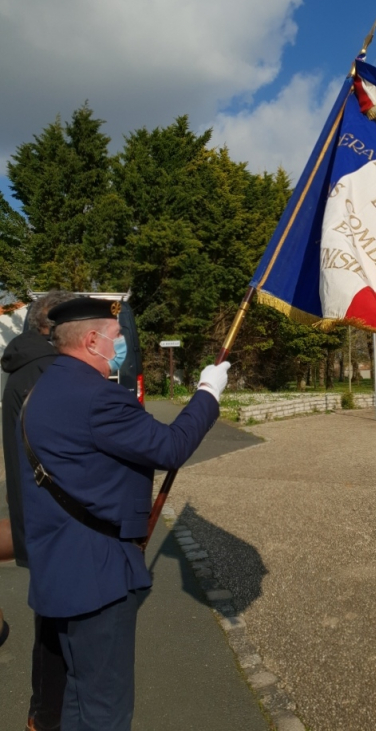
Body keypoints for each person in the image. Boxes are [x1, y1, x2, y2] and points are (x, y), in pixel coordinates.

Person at [19, 297, 229, 731]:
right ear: (92, 340)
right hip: (96, 573)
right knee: (105, 711)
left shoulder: (46, 386)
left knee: (79, 695)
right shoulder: (98, 397)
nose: (122, 345)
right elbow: (170, 447)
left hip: (60, 565)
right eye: (116, 337)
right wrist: (207, 394)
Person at [2, 289, 75, 731]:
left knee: (55, 619)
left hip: (40, 512)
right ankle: (45, 716)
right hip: (55, 518)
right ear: (53, 328)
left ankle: (45, 714)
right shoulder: (45, 372)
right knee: (56, 626)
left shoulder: (29, 365)